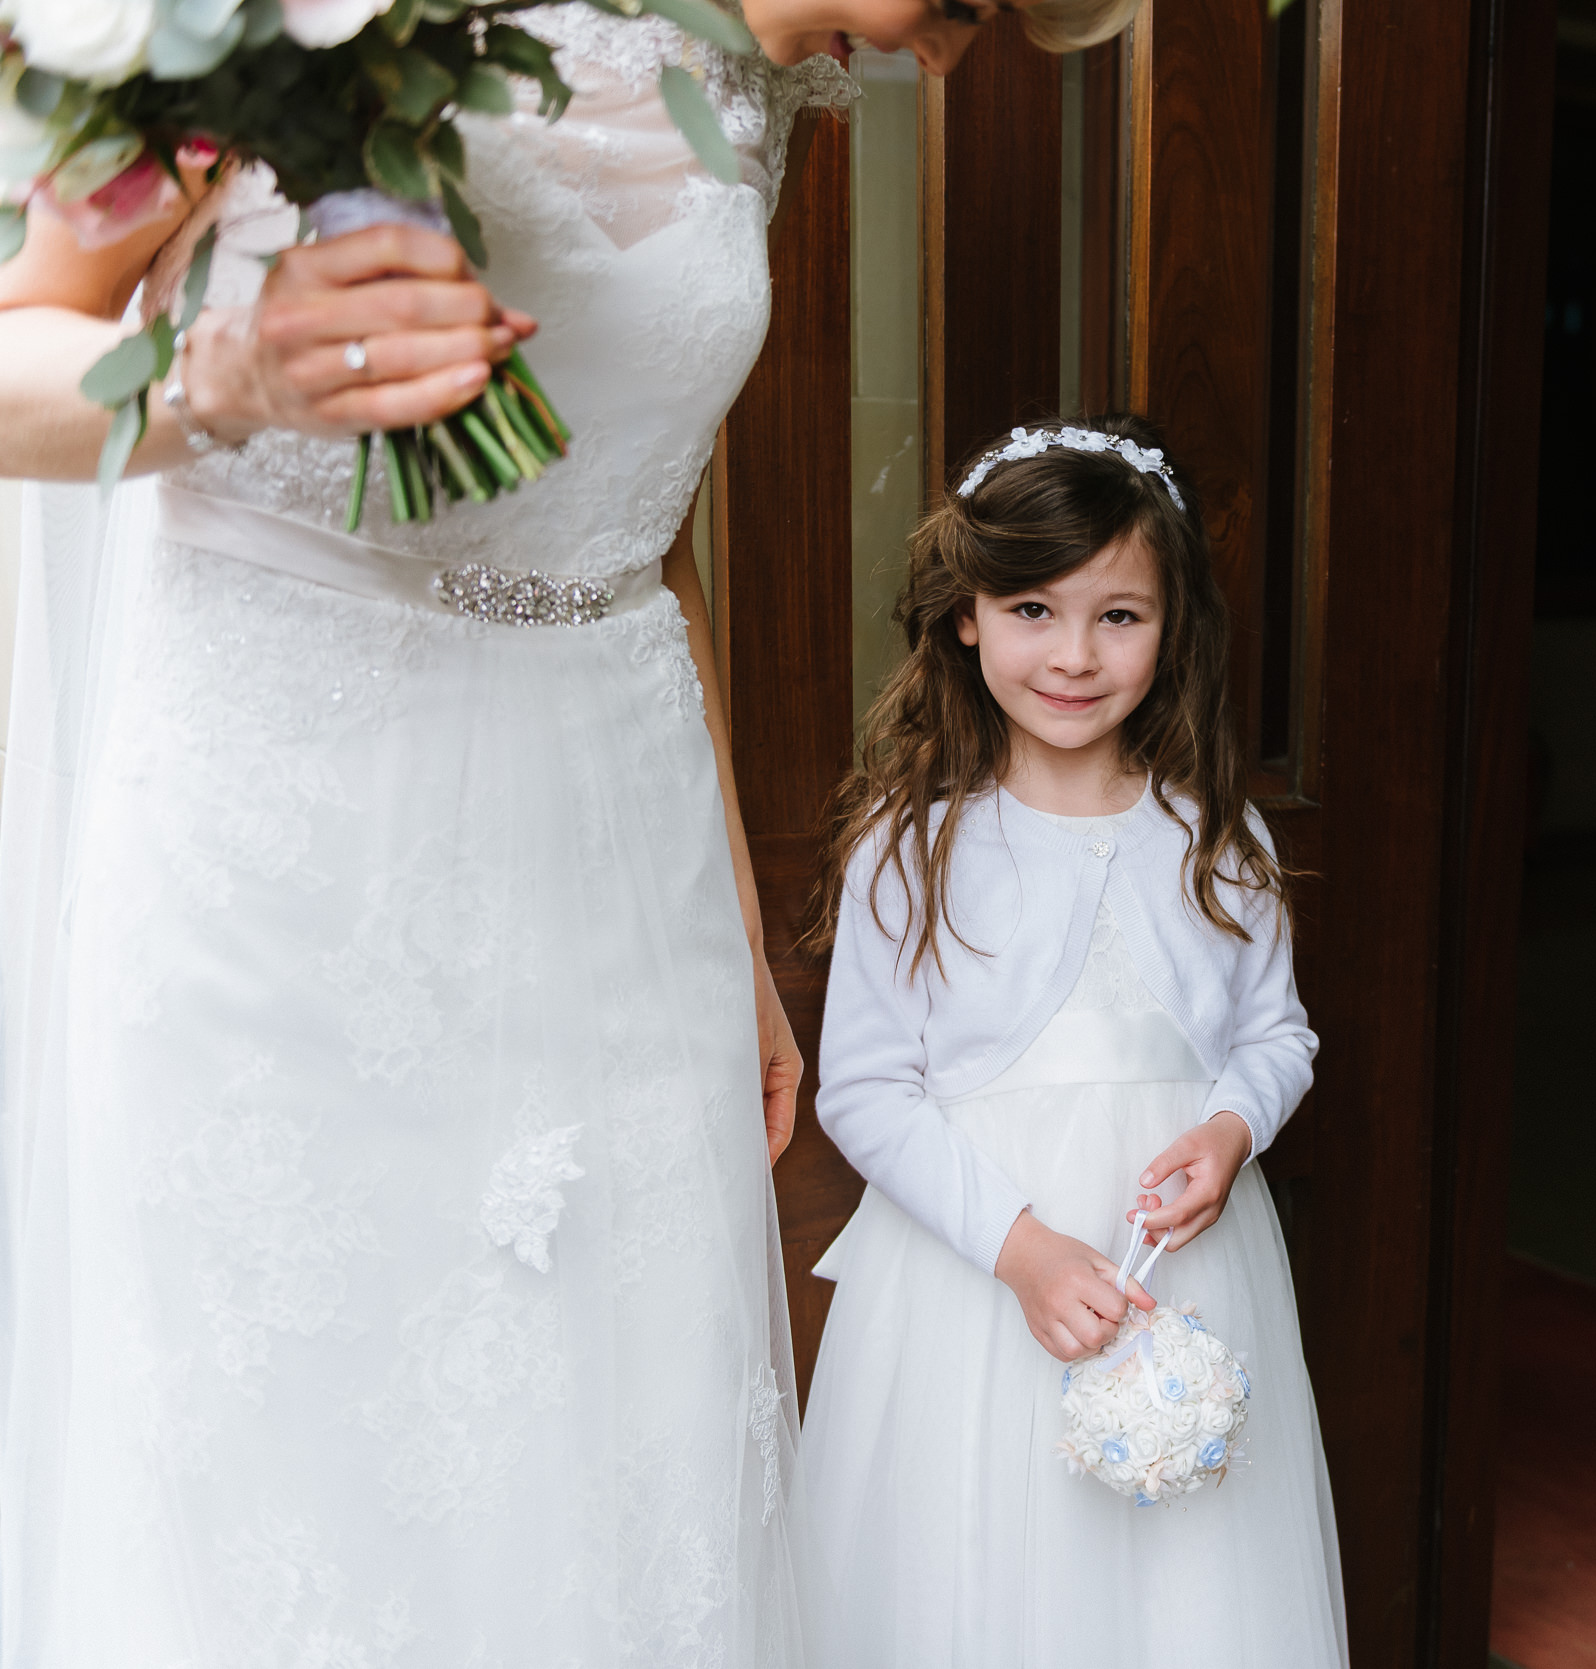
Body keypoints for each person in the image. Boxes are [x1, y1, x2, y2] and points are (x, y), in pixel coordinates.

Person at [0, 1, 1138, 1664]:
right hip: (286, 842)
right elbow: (24, 347)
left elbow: (632, 535)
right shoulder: (294, 32)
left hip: (610, 844)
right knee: (299, 1435)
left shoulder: (757, 100)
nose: (946, 63)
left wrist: (741, 943)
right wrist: (225, 373)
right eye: (960, 4)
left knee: (607, 1431)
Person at [798, 416, 1350, 1667]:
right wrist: (1026, 1252)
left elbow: (1277, 1032)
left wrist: (1229, 1125)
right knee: (984, 1567)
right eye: (1034, 610)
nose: (1074, 655)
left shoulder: (1219, 840)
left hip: (1181, 1275)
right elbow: (869, 1091)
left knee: (1183, 1593)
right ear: (966, 617)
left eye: (1119, 616)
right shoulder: (912, 843)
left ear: (1174, 629)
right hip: (981, 1275)